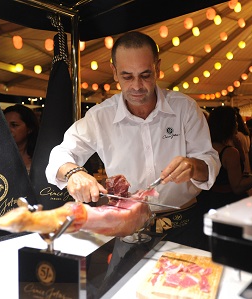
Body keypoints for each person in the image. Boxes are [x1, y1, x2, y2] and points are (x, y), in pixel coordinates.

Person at [46, 31, 220, 249]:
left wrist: (194, 166)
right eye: (127, 76)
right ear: (114, 72)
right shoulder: (101, 117)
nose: (137, 86)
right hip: (128, 229)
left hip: (184, 223)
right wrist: (74, 173)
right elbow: (59, 154)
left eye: (145, 75)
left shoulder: (184, 108)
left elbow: (209, 161)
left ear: (157, 67)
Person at [198, 106, 252, 212]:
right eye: (235, 120)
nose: (237, 124)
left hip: (208, 200)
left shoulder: (205, 147)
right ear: (227, 124)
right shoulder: (229, 152)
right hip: (228, 204)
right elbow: (237, 187)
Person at [4, 104, 40, 173]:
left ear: (30, 129)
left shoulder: (40, 158)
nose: (7, 129)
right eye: (4, 124)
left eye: (14, 125)